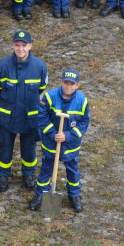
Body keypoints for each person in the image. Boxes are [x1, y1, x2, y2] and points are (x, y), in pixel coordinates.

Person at [0, 31, 48, 193]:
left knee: (29, 148)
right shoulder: (3, 66)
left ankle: (29, 174)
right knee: (4, 147)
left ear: (30, 46)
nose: (21, 49)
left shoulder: (39, 67)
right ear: (12, 45)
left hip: (29, 116)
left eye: (24, 45)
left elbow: (41, 89)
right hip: (6, 116)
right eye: (17, 45)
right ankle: (3, 175)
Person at [29, 69, 90, 213]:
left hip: (70, 144)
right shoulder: (50, 97)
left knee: (72, 170)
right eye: (65, 83)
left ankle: (74, 195)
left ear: (77, 85)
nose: (68, 86)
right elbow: (41, 117)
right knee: (46, 169)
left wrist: (67, 136)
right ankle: (40, 194)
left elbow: (84, 123)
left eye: (71, 84)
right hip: (51, 142)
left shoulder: (82, 101)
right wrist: (53, 133)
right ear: (61, 82)